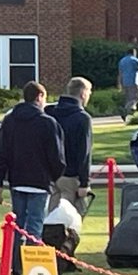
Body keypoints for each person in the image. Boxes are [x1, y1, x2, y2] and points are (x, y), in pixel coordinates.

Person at [0, 81, 64, 275]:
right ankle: (32, 269)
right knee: (34, 228)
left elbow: (2, 153)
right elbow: (56, 157)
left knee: (17, 227)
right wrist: (54, 176)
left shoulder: (10, 121)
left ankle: (16, 267)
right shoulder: (47, 123)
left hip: (17, 180)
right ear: (39, 97)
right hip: (39, 181)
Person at [47, 78, 93, 215]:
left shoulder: (50, 112)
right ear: (83, 93)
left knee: (52, 217)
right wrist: (85, 182)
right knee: (73, 219)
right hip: (71, 175)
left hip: (52, 174)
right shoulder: (82, 118)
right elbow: (84, 153)